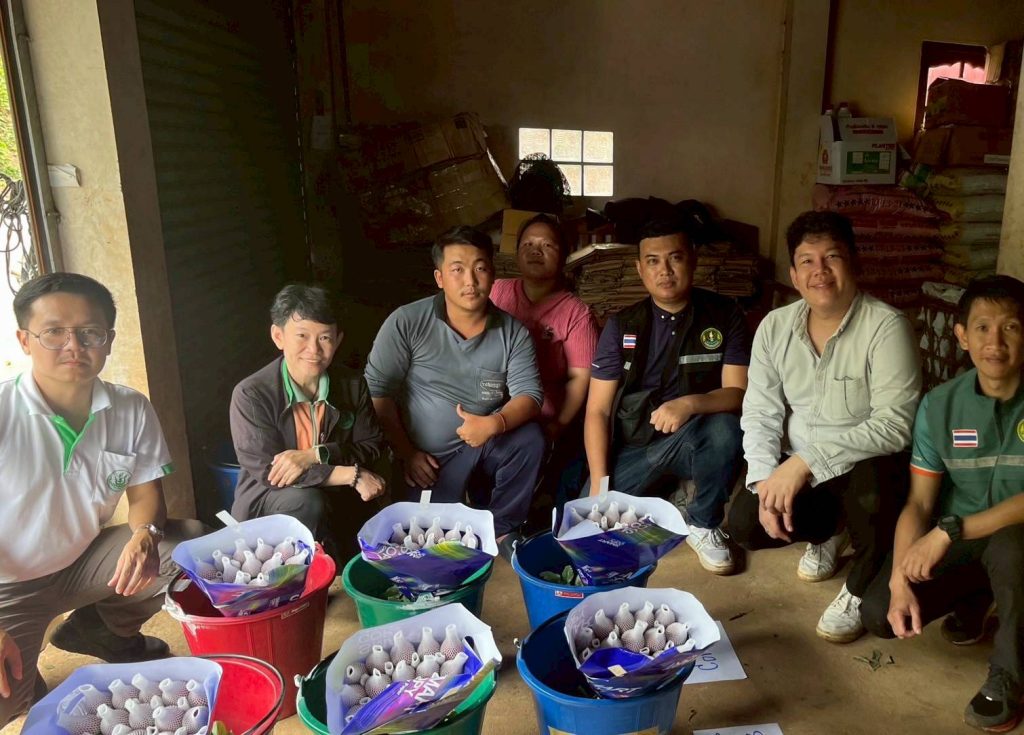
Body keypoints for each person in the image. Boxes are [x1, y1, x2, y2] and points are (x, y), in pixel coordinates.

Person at [0, 273, 204, 723]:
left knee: (187, 547)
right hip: (8, 584)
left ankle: (102, 630)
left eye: (89, 332)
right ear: (24, 340)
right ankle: (25, 667)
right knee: (10, 700)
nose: (73, 346)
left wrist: (146, 534)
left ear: (108, 339)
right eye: (54, 332)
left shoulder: (130, 408)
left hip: (81, 561)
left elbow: (146, 494)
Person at [729, 211, 920, 644]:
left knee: (874, 492)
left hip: (867, 466)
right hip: (804, 467)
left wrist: (804, 462)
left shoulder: (887, 327)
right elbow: (760, 411)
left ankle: (859, 585)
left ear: (854, 263)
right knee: (745, 524)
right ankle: (832, 532)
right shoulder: (775, 327)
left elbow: (895, 424)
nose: (820, 271)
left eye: (832, 257)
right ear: (794, 276)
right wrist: (764, 478)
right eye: (808, 261)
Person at [860, 275, 1024, 732]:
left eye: (1011, 327)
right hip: (964, 539)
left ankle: (1008, 677)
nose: (995, 342)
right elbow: (919, 502)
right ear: (962, 336)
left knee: (1012, 548)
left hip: (1013, 541)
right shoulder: (940, 406)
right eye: (983, 327)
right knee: (879, 612)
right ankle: (978, 595)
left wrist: (950, 531)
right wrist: (898, 579)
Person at [365, 225, 545, 555]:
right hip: (425, 459)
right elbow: (378, 394)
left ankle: (503, 529)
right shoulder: (406, 322)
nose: (470, 281)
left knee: (529, 437)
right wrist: (406, 452)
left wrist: (494, 423)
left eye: (480, 268)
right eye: (457, 270)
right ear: (439, 278)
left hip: (484, 444)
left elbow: (530, 396)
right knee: (427, 540)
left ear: (493, 274)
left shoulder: (513, 332)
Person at [584, 217, 749, 575]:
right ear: (639, 269)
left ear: (693, 259)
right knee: (592, 526)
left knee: (726, 429)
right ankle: (674, 495)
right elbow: (597, 410)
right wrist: (600, 485)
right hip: (635, 448)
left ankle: (703, 522)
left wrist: (689, 404)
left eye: (675, 258)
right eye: (653, 261)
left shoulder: (725, 315)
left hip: (693, 439)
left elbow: (737, 393)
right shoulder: (622, 324)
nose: (665, 270)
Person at [230, 285, 387, 559]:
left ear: (338, 340)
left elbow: (371, 446)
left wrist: (315, 455)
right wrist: (350, 475)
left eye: (324, 338)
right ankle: (293, 575)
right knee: (307, 500)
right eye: (302, 336)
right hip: (271, 500)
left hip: (337, 497)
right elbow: (271, 473)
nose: (313, 349)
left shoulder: (351, 385)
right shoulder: (251, 394)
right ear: (278, 336)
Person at [489, 213, 599, 505]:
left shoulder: (576, 313)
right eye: (528, 244)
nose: (535, 251)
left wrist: (557, 426)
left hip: (542, 416)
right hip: (491, 403)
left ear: (564, 256)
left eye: (547, 245)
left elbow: (580, 377)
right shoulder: (497, 291)